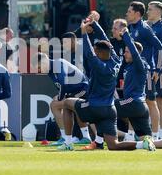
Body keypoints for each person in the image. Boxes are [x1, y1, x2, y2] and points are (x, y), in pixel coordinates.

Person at [59, 19, 156, 151]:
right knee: (113, 145)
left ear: (98, 53)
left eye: (96, 50)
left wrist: (83, 32)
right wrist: (95, 24)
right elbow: (106, 41)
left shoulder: (98, 65)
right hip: (110, 110)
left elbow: (89, 52)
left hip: (94, 107)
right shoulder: (116, 61)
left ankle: (68, 143)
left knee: (67, 103)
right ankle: (140, 144)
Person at [125, 1, 162, 141]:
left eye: (129, 11)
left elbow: (161, 48)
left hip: (146, 71)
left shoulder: (144, 28)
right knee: (132, 101)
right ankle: (131, 135)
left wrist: (157, 69)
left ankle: (154, 137)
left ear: (137, 14)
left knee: (150, 101)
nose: (127, 13)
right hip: (134, 70)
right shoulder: (132, 28)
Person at [34, 52, 92, 146]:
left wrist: (60, 97)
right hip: (74, 92)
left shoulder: (58, 63)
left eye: (39, 67)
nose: (39, 70)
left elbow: (63, 84)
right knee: (57, 105)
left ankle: (82, 137)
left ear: (44, 61)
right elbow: (61, 87)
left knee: (60, 105)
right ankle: (68, 137)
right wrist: (60, 96)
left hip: (83, 90)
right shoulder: (50, 70)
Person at [146, 2, 162, 140]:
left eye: (150, 9)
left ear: (158, 12)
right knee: (150, 101)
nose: (147, 12)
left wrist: (159, 69)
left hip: (160, 72)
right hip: (150, 70)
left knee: (161, 101)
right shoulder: (148, 27)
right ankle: (153, 132)